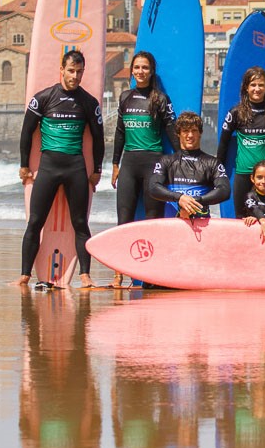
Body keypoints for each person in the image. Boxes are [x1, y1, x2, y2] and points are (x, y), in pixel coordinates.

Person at [16, 49, 104, 289]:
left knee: (80, 223)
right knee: (35, 222)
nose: (75, 76)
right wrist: (24, 165)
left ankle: (85, 275)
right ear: (61, 69)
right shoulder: (43, 98)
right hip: (48, 168)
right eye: (71, 71)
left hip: (76, 167)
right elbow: (26, 132)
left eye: (79, 72)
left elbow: (98, 139)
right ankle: (25, 275)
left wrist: (97, 169)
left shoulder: (88, 102)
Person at [109, 51, 177, 285]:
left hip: (153, 163)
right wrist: (115, 164)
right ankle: (119, 271)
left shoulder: (161, 99)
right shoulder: (125, 97)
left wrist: (180, 161)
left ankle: (149, 273)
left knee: (151, 220)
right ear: (132, 71)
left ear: (152, 71)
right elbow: (120, 132)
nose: (140, 72)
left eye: (145, 68)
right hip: (129, 163)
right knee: (124, 219)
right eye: (137, 68)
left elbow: (172, 131)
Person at [217, 66, 265, 218]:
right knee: (241, 220)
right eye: (253, 85)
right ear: (246, 87)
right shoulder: (236, 113)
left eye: (261, 85)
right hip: (244, 175)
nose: (257, 89)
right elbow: (224, 143)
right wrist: (217, 172)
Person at [147, 111, 230, 219]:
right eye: (185, 131)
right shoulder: (166, 161)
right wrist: (179, 198)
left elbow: (225, 190)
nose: (190, 135)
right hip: (172, 226)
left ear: (200, 133)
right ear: (178, 134)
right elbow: (153, 187)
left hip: (201, 226)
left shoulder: (212, 162)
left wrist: (195, 201)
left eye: (194, 131)